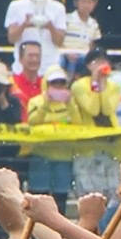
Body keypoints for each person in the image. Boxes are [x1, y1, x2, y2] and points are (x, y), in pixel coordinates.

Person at [27, 66, 82, 214]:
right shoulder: (35, 101)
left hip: (63, 157)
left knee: (60, 200)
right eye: (54, 83)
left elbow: (78, 124)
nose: (58, 86)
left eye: (61, 82)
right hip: (40, 155)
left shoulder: (71, 103)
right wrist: (45, 103)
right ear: (46, 83)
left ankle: (59, 234)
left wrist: (69, 103)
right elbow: (32, 122)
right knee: (39, 197)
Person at [5, 0, 65, 73]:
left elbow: (60, 41)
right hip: (22, 68)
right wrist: (24, 25)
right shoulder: (16, 5)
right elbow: (11, 38)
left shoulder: (59, 8)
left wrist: (50, 26)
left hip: (49, 67)